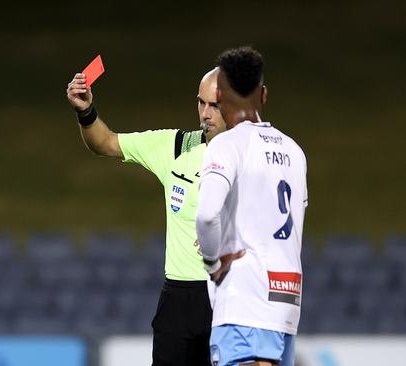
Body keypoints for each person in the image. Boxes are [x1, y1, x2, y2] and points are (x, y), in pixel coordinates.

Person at [66, 68, 226, 366]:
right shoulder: (177, 146)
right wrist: (86, 112)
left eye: (214, 105)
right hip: (177, 300)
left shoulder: (254, 158)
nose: (205, 114)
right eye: (200, 103)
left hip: (228, 294)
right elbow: (107, 143)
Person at [196, 47, 308, 366]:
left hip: (244, 302)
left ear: (220, 95)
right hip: (286, 303)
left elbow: (206, 215)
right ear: (264, 94)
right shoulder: (294, 152)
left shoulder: (227, 146)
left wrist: (212, 264)